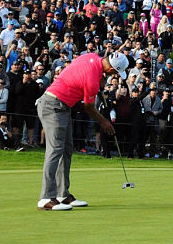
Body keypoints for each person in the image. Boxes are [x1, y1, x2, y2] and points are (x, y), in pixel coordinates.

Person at [35, 50, 126, 211]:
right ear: (112, 70)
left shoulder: (91, 57)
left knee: (66, 150)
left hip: (63, 106)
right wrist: (103, 121)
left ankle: (63, 194)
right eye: (115, 73)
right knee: (55, 150)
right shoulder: (93, 78)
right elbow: (89, 107)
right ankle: (46, 197)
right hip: (53, 105)